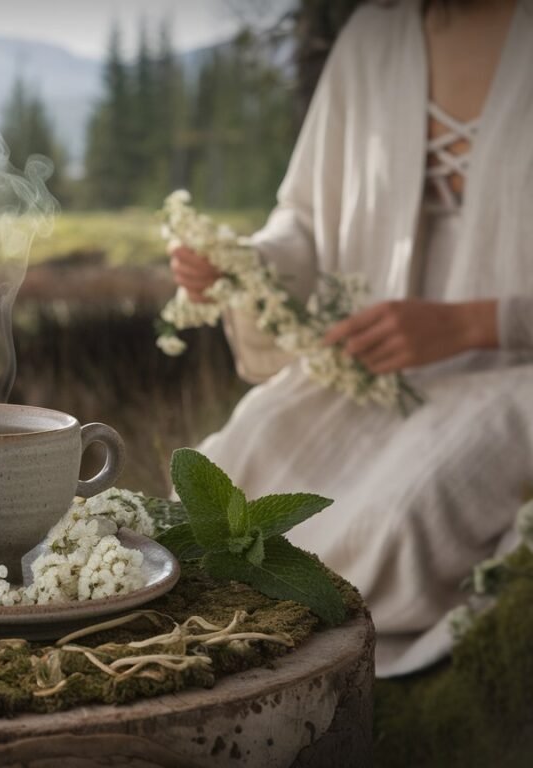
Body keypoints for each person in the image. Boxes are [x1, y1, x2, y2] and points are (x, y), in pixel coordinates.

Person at [169, 0, 533, 677]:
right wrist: (243, 265)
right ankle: (223, 660)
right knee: (238, 467)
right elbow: (304, 220)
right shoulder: (376, 35)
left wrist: (469, 323)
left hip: (516, 369)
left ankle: (319, 664)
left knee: (401, 516)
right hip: (375, 364)